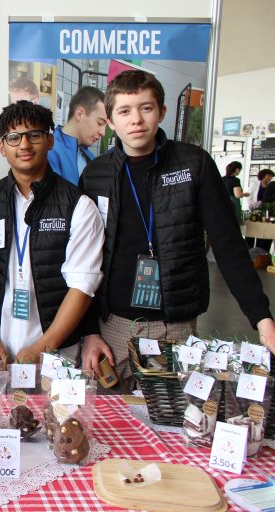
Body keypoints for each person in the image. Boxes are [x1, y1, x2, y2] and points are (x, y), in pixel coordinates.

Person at [78, 70, 275, 392]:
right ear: (111, 121)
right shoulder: (95, 174)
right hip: (110, 324)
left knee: (168, 423)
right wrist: (89, 332)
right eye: (125, 111)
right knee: (106, 424)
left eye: (146, 108)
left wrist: (262, 319)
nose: (136, 120)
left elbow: (228, 245)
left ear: (162, 112)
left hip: (174, 326)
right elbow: (83, 260)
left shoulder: (192, 164)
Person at [0, 101, 104, 364]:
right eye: (13, 137)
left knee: (53, 407)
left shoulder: (78, 206)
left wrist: (44, 347)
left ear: (49, 141)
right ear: (2, 147)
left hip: (57, 351)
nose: (24, 145)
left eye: (34, 135)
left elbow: (82, 285)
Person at [47, 86, 107, 185]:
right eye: (100, 123)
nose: (103, 133)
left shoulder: (90, 157)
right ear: (79, 114)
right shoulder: (49, 151)